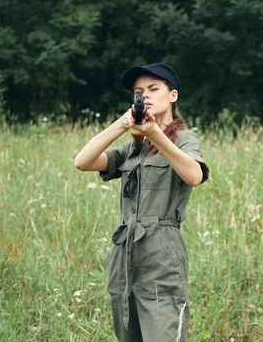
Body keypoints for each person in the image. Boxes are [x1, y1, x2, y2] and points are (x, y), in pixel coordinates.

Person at [74, 63, 210, 341]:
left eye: (153, 88)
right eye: (138, 91)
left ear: (172, 95)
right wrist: (123, 124)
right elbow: (82, 161)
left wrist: (155, 134)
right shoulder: (132, 148)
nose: (144, 95)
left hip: (161, 255)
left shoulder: (184, 139)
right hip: (124, 254)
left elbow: (194, 175)